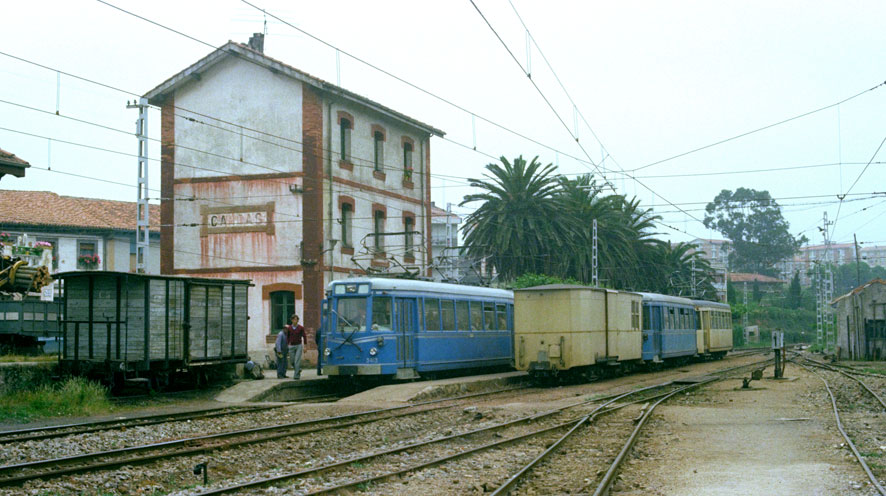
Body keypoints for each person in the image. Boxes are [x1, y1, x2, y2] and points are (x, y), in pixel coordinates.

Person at [286, 314, 307, 380]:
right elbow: (287, 337)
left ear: (298, 320)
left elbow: (304, 336)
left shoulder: (301, 328)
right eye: (294, 319)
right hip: (291, 346)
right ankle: (298, 369)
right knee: (292, 361)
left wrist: (305, 346)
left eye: (296, 319)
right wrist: (287, 345)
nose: (295, 321)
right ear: (292, 320)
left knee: (297, 360)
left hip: (298, 345)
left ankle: (296, 375)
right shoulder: (289, 328)